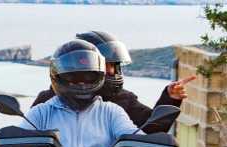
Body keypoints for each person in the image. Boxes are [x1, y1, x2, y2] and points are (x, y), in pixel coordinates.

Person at [5, 39, 142, 147]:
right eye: (74, 77)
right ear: (58, 76)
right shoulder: (41, 112)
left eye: (89, 76)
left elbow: (132, 134)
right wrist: (19, 143)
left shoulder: (112, 112)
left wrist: (148, 143)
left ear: (99, 75)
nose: (82, 83)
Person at [31, 31, 195, 132]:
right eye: (109, 65)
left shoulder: (121, 102)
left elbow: (151, 130)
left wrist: (170, 98)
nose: (113, 72)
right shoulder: (48, 103)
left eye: (116, 66)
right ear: (87, 63)